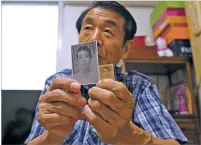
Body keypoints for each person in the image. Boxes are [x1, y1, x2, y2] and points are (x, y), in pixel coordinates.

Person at [25, 1, 187, 145]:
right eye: (87, 28)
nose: (94, 39)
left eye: (108, 31)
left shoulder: (139, 85)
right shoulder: (56, 83)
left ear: (125, 49)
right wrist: (52, 136)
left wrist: (129, 135)